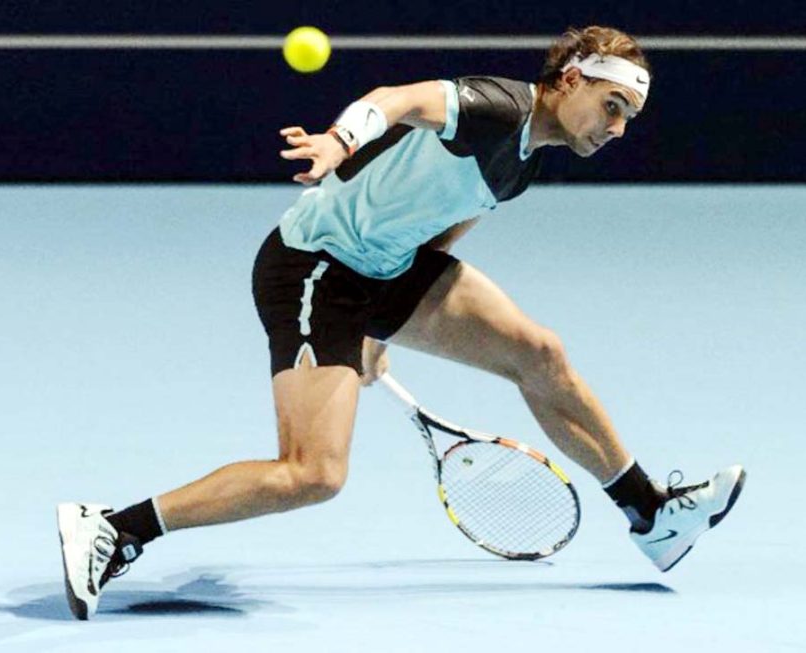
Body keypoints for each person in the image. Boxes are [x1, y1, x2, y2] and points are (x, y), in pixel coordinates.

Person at [57, 25, 745, 620]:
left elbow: (441, 226)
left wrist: (383, 325)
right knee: (312, 474)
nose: (617, 128)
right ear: (570, 79)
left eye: (629, 116)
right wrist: (337, 140)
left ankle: (649, 513)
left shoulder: (527, 160)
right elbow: (395, 101)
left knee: (539, 352)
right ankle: (114, 529)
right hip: (315, 270)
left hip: (389, 269)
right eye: (612, 105)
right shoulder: (493, 107)